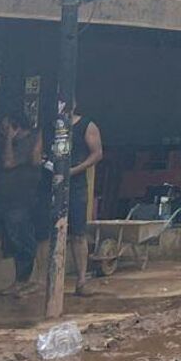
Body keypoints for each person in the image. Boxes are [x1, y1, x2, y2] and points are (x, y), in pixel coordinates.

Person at [0, 112, 45, 296]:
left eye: (6, 128)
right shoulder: (16, 143)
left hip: (24, 198)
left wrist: (9, 139)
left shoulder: (29, 142)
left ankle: (22, 280)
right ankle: (19, 278)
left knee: (22, 240)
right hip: (9, 198)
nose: (3, 132)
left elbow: (8, 162)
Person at [64, 104, 104, 296]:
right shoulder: (49, 126)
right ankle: (40, 281)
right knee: (44, 234)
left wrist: (74, 170)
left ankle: (81, 280)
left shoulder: (86, 126)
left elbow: (97, 154)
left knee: (78, 233)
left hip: (76, 183)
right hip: (50, 183)